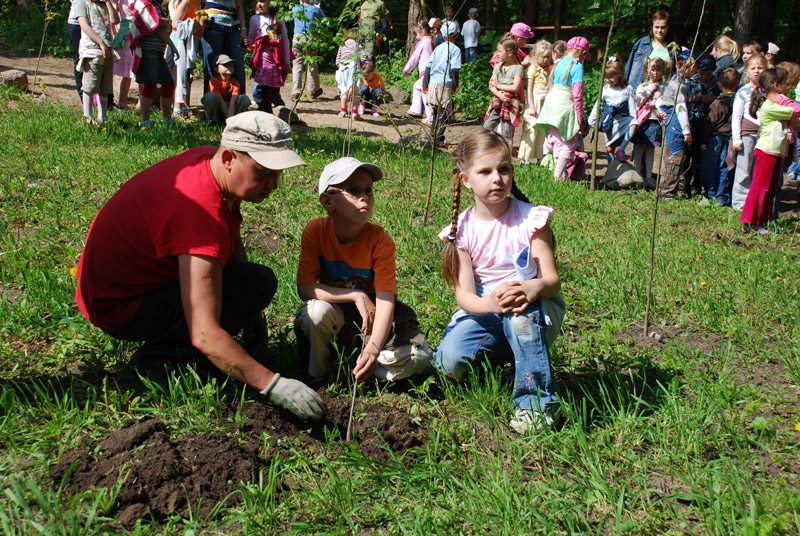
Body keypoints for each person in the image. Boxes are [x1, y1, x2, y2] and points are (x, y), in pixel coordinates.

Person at [75, 111, 326, 422]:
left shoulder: (209, 163)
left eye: (278, 173)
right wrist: (273, 384)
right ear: (230, 158)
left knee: (256, 283)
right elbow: (204, 333)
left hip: (129, 285)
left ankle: (192, 348)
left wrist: (250, 314)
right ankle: (157, 359)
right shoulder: (197, 213)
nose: (273, 185)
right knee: (247, 292)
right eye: (264, 173)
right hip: (118, 307)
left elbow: (229, 229)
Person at [435, 129, 566, 434]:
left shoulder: (531, 220)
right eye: (486, 171)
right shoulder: (462, 230)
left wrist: (534, 287)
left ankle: (538, 404)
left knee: (520, 319)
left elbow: (552, 280)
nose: (497, 178)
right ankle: (511, 361)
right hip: (487, 309)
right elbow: (464, 296)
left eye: (504, 169)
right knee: (447, 362)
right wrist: (489, 303)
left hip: (532, 307)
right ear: (466, 179)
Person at [294, 157, 432, 382]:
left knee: (419, 357)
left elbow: (386, 299)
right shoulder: (316, 231)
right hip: (335, 313)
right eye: (353, 189)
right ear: (327, 202)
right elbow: (305, 288)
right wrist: (355, 295)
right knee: (315, 313)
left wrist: (373, 348)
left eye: (368, 190)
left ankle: (358, 363)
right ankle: (317, 375)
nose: (364, 196)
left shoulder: (380, 240)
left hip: (372, 321)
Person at [740, 68, 800, 234]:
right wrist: (781, 98)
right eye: (786, 84)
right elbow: (796, 110)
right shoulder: (769, 106)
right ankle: (750, 222)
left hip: (776, 152)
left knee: (771, 189)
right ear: (776, 85)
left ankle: (764, 222)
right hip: (767, 151)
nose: (789, 87)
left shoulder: (775, 105)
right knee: (760, 188)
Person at [537, 36, 589, 181]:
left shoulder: (558, 63)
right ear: (581, 53)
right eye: (585, 54)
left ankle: (563, 177)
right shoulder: (576, 66)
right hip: (564, 106)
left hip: (551, 105)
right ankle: (556, 177)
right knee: (568, 144)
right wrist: (579, 118)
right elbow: (577, 95)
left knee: (558, 140)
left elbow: (551, 86)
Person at [132, 0, 179, 128]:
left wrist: (165, 22)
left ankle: (155, 120)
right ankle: (155, 120)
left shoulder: (154, 5)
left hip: (155, 52)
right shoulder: (145, 4)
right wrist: (172, 45)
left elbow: (158, 22)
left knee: (153, 85)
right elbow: (156, 27)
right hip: (150, 51)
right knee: (165, 83)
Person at [731, 53, 767, 210]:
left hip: (764, 136)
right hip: (747, 135)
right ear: (746, 71)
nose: (757, 71)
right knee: (744, 169)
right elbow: (737, 116)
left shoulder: (769, 92)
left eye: (760, 68)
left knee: (758, 171)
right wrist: (737, 138)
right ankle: (739, 203)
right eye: (753, 68)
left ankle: (754, 203)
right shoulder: (743, 91)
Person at [76, 0, 120, 125]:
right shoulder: (82, 3)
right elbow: (84, 26)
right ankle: (87, 116)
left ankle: (103, 116)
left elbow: (115, 20)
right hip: (92, 51)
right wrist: (101, 43)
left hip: (107, 51)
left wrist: (108, 3)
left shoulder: (103, 5)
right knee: (90, 85)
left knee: (105, 87)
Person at [656, 49, 693, 197]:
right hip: (675, 127)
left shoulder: (674, 81)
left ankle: (668, 190)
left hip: (670, 123)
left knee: (671, 158)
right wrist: (686, 131)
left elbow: (660, 99)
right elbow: (681, 107)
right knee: (674, 159)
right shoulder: (680, 85)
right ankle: (666, 193)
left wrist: (660, 110)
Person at [587, 57, 638, 163]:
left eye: (611, 78)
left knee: (634, 123)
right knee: (610, 148)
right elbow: (598, 105)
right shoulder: (605, 90)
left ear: (619, 75)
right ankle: (609, 172)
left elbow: (632, 108)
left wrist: (633, 118)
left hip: (622, 119)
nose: (609, 81)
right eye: (607, 78)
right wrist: (591, 121)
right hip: (609, 121)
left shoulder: (627, 89)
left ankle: (621, 149)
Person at [700, 67, 738, 205]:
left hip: (715, 140)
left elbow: (709, 124)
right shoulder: (737, 102)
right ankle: (722, 196)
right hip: (730, 140)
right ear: (738, 83)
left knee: (710, 167)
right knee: (724, 168)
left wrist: (703, 142)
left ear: (720, 85)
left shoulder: (716, 103)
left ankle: (711, 195)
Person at [685, 54, 720, 196]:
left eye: (708, 74)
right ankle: (686, 186)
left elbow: (725, 98)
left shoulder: (717, 84)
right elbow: (682, 99)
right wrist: (692, 99)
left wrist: (713, 99)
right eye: (702, 73)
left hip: (709, 126)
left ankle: (699, 186)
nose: (705, 77)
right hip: (692, 123)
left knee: (702, 158)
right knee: (688, 157)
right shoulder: (691, 82)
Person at [422, 23, 461, 147]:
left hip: (433, 82)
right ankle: (438, 139)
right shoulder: (456, 50)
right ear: (457, 35)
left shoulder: (438, 48)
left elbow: (428, 67)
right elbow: (454, 70)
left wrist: (425, 84)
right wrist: (456, 84)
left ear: (443, 35)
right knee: (445, 114)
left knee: (436, 112)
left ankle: (434, 136)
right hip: (445, 85)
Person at [248, 0, 290, 114]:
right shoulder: (254, 19)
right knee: (263, 84)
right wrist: (249, 43)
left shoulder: (278, 19)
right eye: (256, 2)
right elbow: (251, 36)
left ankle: (275, 105)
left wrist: (287, 61)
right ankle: (265, 107)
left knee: (275, 84)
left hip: (276, 59)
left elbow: (284, 40)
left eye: (261, 1)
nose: (258, 4)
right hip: (262, 59)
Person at [200, 0, 248, 96]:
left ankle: (238, 103)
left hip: (233, 27)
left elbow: (238, 6)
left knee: (237, 65)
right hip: (212, 25)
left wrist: (243, 29)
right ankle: (212, 104)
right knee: (213, 66)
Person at [483, 38, 523, 148]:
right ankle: (489, 148)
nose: (497, 54)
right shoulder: (498, 66)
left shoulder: (518, 68)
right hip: (498, 101)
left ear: (510, 53)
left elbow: (515, 87)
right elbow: (491, 85)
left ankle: (506, 155)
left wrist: (498, 85)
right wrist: (500, 95)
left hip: (510, 103)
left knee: (506, 130)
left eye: (500, 51)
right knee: (487, 126)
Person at [632, 57, 667, 183]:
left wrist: (660, 96)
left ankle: (648, 176)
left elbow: (666, 104)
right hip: (643, 121)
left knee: (650, 149)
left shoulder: (664, 87)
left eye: (659, 70)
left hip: (655, 120)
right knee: (639, 147)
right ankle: (636, 174)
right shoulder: (643, 86)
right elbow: (638, 102)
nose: (656, 73)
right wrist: (650, 91)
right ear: (647, 71)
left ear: (663, 72)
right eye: (653, 69)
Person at [519, 39, 552, 165]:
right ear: (536, 56)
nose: (545, 59)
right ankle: (525, 158)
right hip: (535, 100)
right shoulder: (532, 69)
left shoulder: (549, 70)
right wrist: (532, 107)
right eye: (543, 57)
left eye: (548, 57)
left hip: (545, 100)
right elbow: (529, 89)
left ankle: (540, 156)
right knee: (531, 129)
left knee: (542, 130)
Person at [169, 0, 201, 118]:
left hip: (193, 42)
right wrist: (194, 24)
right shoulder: (186, 2)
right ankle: (177, 109)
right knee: (180, 75)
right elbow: (174, 25)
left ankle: (186, 105)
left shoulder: (197, 3)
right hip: (181, 43)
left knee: (188, 76)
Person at [201, 54, 252, 126]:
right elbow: (221, 102)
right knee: (209, 96)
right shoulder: (213, 81)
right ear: (216, 69)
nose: (229, 67)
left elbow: (233, 103)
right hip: (218, 109)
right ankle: (214, 121)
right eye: (225, 65)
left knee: (244, 98)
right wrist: (229, 119)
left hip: (231, 110)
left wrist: (230, 119)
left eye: (231, 64)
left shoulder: (235, 83)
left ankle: (238, 122)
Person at [626, 10, 670, 88]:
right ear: (652, 27)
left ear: (668, 27)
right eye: (657, 27)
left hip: (664, 92)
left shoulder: (673, 48)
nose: (659, 30)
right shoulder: (641, 44)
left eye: (663, 27)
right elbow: (628, 70)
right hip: (640, 91)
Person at [291, 0, 324, 101]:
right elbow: (323, 19)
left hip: (297, 38)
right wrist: (318, 8)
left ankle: (296, 92)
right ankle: (314, 91)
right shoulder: (314, 9)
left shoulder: (295, 9)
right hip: (310, 39)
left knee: (297, 65)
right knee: (312, 64)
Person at [402, 19, 433, 121]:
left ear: (422, 32)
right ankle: (416, 110)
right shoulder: (431, 39)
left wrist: (407, 69)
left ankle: (430, 117)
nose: (415, 37)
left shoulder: (423, 42)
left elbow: (414, 57)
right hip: (431, 70)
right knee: (417, 86)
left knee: (424, 92)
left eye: (416, 34)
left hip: (426, 71)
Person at [334, 30, 365, 120]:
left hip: (343, 67)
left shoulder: (342, 45)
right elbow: (363, 58)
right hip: (354, 66)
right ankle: (355, 112)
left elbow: (337, 61)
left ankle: (343, 111)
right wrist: (361, 66)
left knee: (344, 89)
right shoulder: (358, 45)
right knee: (356, 89)